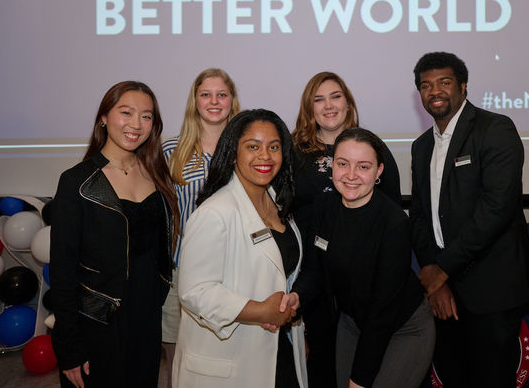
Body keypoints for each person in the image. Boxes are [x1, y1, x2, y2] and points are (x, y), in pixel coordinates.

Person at [409, 52, 529, 387]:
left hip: (492, 291)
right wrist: (433, 273)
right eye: (426, 85)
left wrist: (442, 269)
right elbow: (421, 214)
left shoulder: (495, 129)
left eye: (444, 82)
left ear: (463, 87)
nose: (435, 91)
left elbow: (496, 209)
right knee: (455, 378)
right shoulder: (421, 146)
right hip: (444, 290)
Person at [50, 81, 178, 388]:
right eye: (126, 112)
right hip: (98, 321)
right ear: (103, 118)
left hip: (146, 316)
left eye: (146, 116)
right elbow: (62, 271)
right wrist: (69, 349)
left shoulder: (157, 174)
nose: (136, 124)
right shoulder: (76, 182)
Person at [285, 128, 434, 388]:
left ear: (378, 172)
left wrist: (360, 379)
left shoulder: (394, 223)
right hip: (352, 322)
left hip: (403, 327)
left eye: (363, 166)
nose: (351, 175)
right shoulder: (324, 208)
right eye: (343, 164)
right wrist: (297, 296)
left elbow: (382, 311)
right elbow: (314, 271)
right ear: (333, 166)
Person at [173, 109, 307, 388]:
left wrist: (291, 299)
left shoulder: (278, 202)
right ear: (233, 154)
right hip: (230, 357)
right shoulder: (214, 213)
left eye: (274, 147)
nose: (265, 156)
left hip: (278, 346)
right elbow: (194, 291)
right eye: (253, 147)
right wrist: (260, 311)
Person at [291, 72, 401, 388]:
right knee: (324, 361)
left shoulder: (372, 149)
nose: (328, 105)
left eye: (335, 96)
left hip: (363, 275)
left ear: (348, 102)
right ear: (308, 108)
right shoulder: (294, 153)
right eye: (319, 98)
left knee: (368, 357)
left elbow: (391, 215)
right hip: (315, 273)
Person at [161, 68, 240, 382]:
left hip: (233, 268)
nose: (214, 101)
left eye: (222, 94)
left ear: (232, 101)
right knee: (176, 355)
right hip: (182, 269)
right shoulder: (171, 151)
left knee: (226, 356)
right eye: (206, 94)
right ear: (195, 101)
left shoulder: (246, 149)